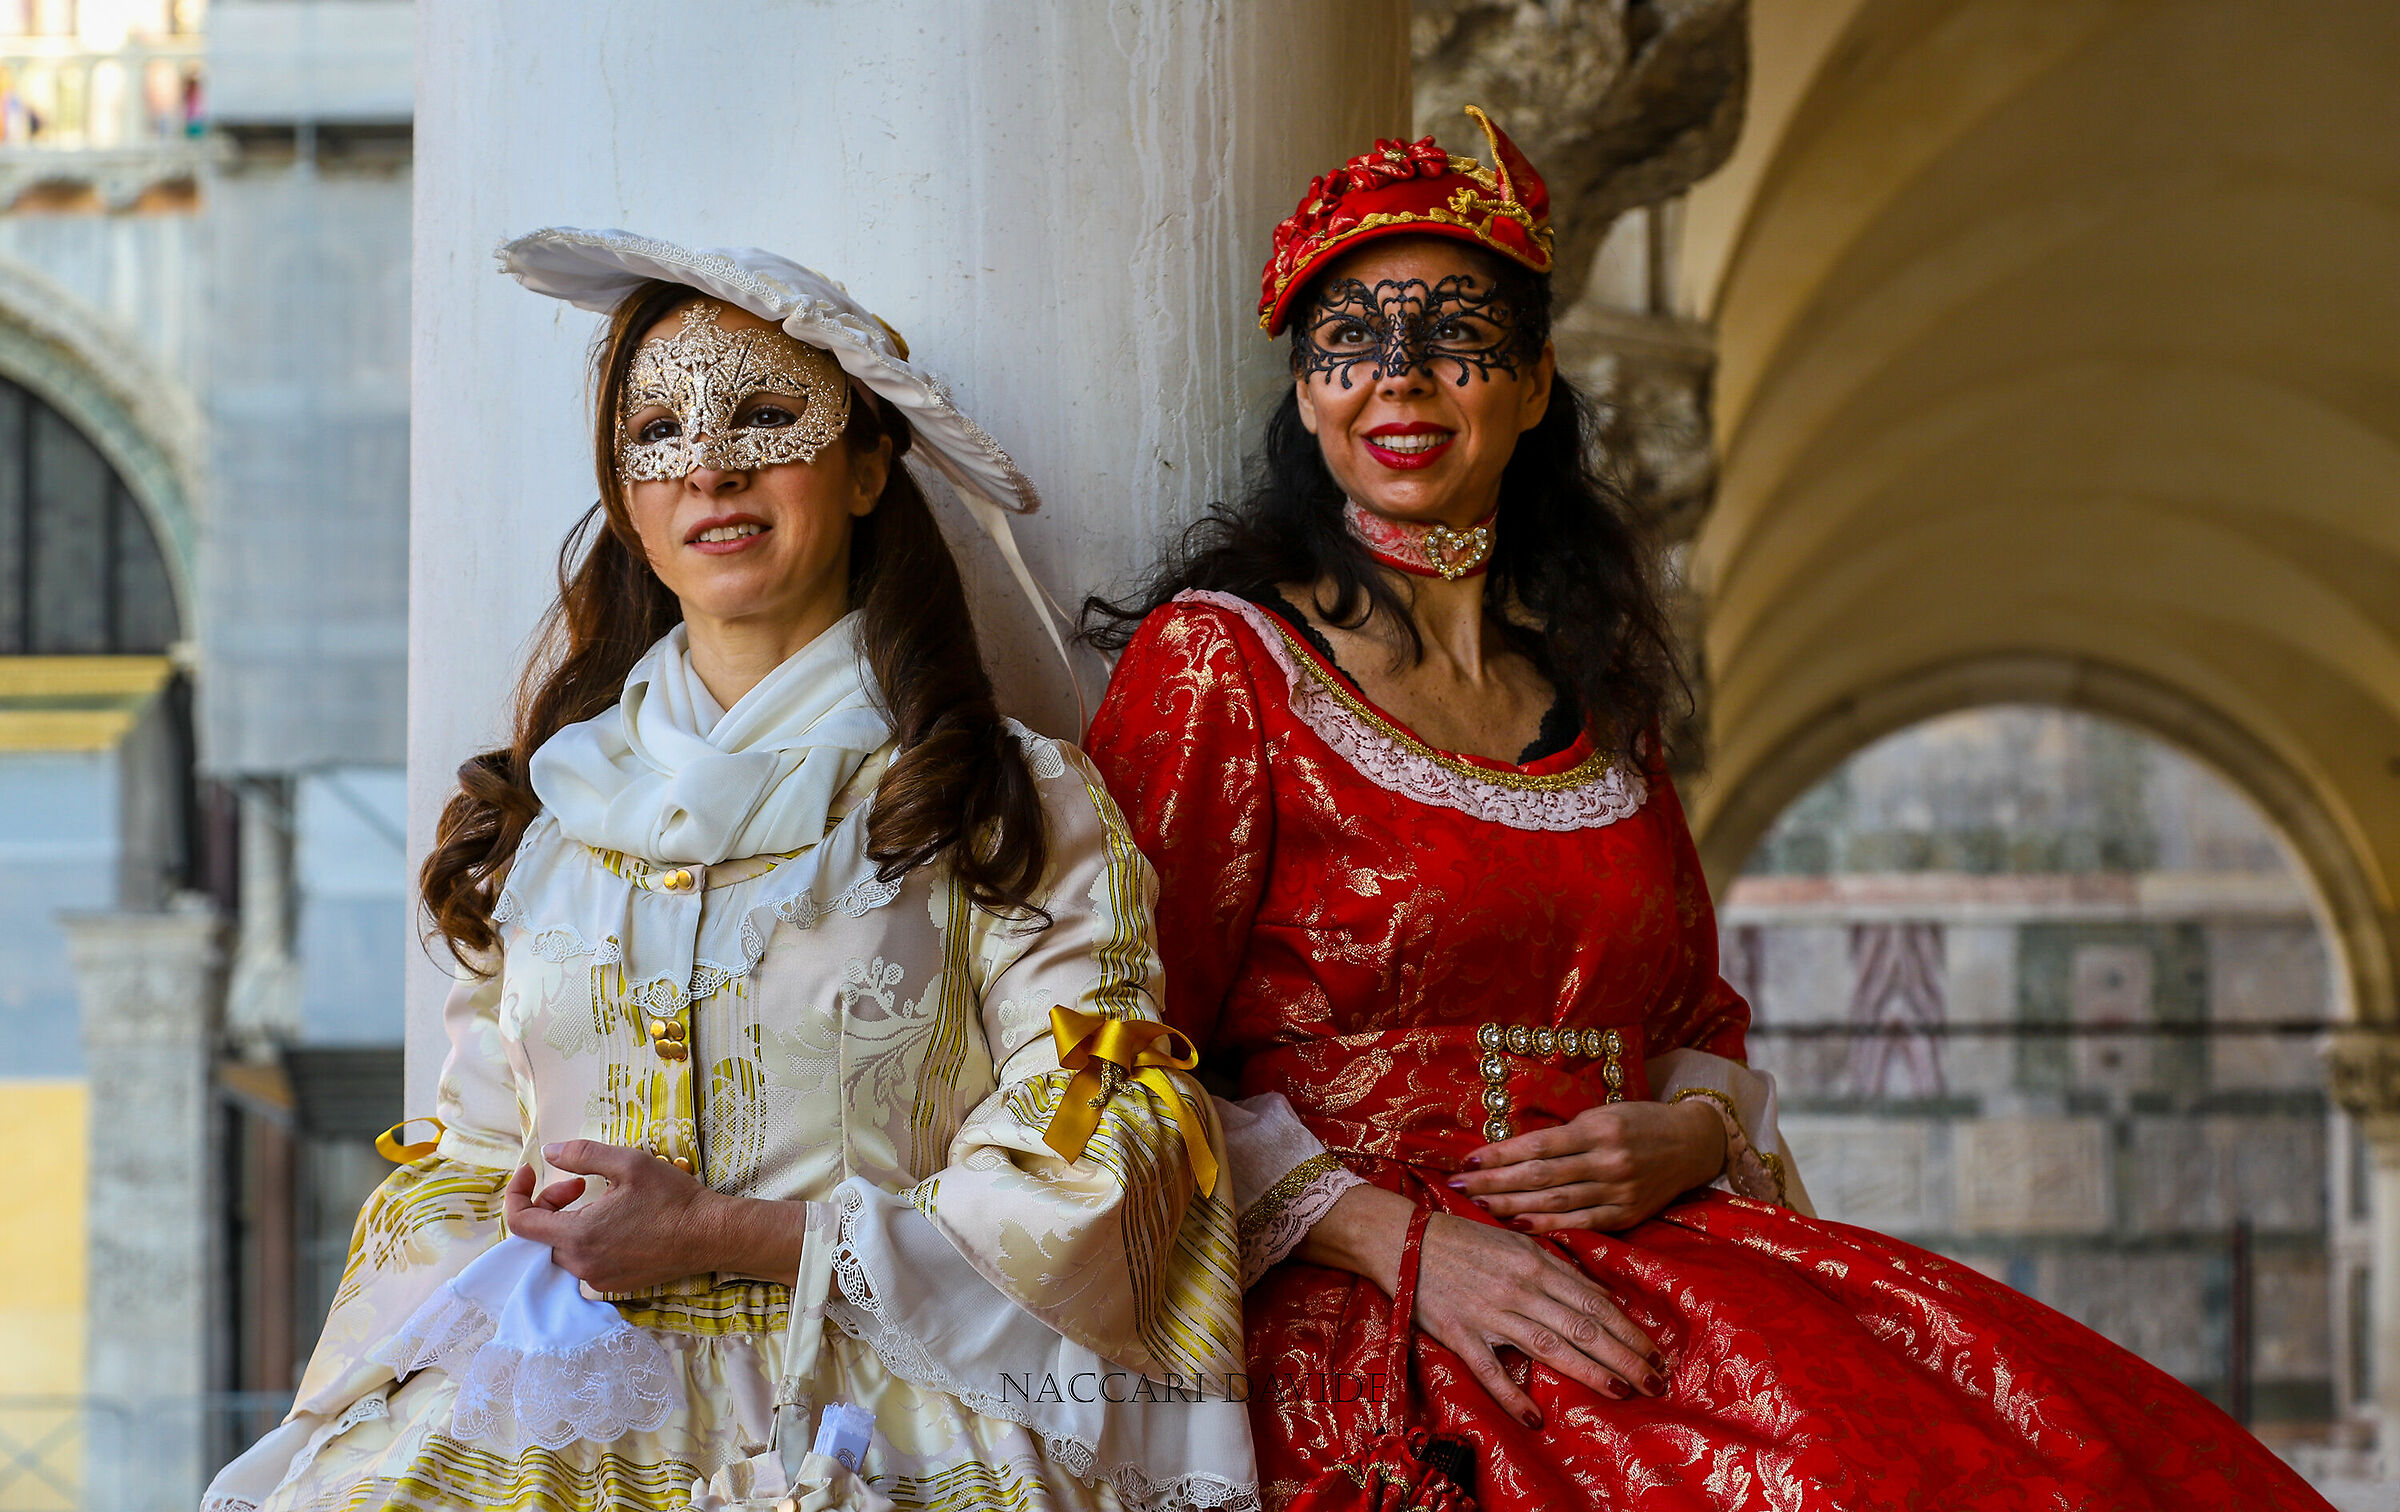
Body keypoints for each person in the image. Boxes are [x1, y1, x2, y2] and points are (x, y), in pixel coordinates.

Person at [1084, 112, 2332, 1510]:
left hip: (1657, 1257)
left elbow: (1694, 1028)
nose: (1403, 376)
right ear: (1307, 393)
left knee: (2071, 1465)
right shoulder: (1223, 666)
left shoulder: (1602, 701)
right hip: (1381, 1309)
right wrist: (1393, 1241)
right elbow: (1106, 1047)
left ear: (1541, 380)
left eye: (1458, 331)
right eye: (1352, 338)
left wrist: (1689, 1136)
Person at [205, 229, 1252, 1512]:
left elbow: (1106, 1142)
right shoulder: (540, 822)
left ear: (869, 465)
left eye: (764, 418)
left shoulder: (998, 801)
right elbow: (475, 1145)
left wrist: (743, 1238)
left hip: (886, 1429)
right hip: (546, 1417)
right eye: (657, 432)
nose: (707, 465)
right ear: (627, 496)